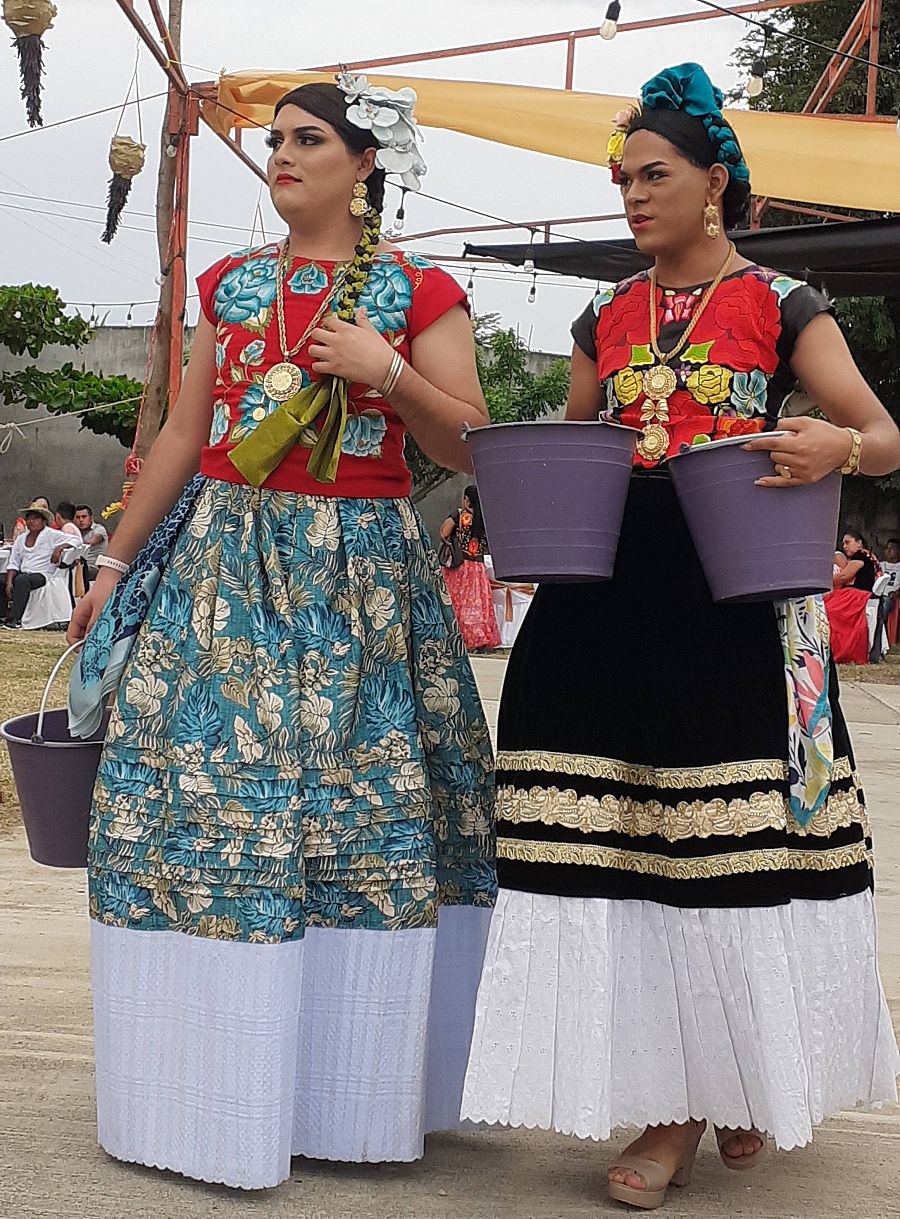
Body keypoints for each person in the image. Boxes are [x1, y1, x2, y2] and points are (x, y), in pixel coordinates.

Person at [461, 63, 900, 1211]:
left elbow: (883, 434)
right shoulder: (602, 312)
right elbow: (574, 448)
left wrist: (827, 451)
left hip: (732, 595)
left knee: (718, 848)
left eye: (653, 176)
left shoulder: (786, 304)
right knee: (612, 839)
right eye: (621, 180)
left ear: (716, 182)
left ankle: (692, 1105)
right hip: (609, 596)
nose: (632, 197)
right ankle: (708, 1080)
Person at [65, 76, 496, 1191]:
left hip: (359, 573)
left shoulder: (418, 290)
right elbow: (178, 438)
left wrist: (389, 373)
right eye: (277, 140)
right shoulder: (234, 282)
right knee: (202, 799)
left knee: (355, 813)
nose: (283, 155)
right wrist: (114, 561)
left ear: (365, 165)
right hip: (222, 566)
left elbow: (480, 441)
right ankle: (204, 1097)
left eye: (309, 140)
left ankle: (346, 1099)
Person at [440, 484, 501, 651]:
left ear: (466, 500)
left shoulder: (459, 515)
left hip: (460, 566)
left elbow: (444, 533)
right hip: (478, 567)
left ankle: (458, 637)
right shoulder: (485, 519)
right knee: (477, 604)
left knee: (457, 601)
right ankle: (480, 638)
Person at [1, 502, 77, 628]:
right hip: (24, 572)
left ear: (43, 521)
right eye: (29, 518)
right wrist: (9, 581)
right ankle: (2, 615)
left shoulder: (52, 535)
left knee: (22, 580)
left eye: (35, 518)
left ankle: (14, 619)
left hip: (43, 574)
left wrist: (60, 548)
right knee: (2, 579)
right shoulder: (21, 538)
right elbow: (13, 562)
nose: (31, 521)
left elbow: (76, 540)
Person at [826, 529, 883, 663]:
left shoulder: (860, 556)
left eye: (848, 542)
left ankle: (837, 648)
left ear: (859, 543)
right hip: (865, 596)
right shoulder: (870, 556)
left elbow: (844, 576)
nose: (845, 546)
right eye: (843, 543)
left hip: (859, 596)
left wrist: (822, 581)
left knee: (829, 608)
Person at [74, 504, 109, 581]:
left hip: (96, 567)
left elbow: (93, 540)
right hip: (80, 566)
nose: (81, 520)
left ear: (91, 518)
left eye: (84, 517)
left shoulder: (99, 529)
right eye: (78, 517)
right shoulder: (76, 532)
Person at [881, 537, 900, 646]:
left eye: (892, 548)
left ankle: (878, 625)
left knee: (885, 603)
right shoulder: (880, 565)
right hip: (878, 594)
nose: (888, 551)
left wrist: (896, 592)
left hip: (891, 597)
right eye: (887, 548)